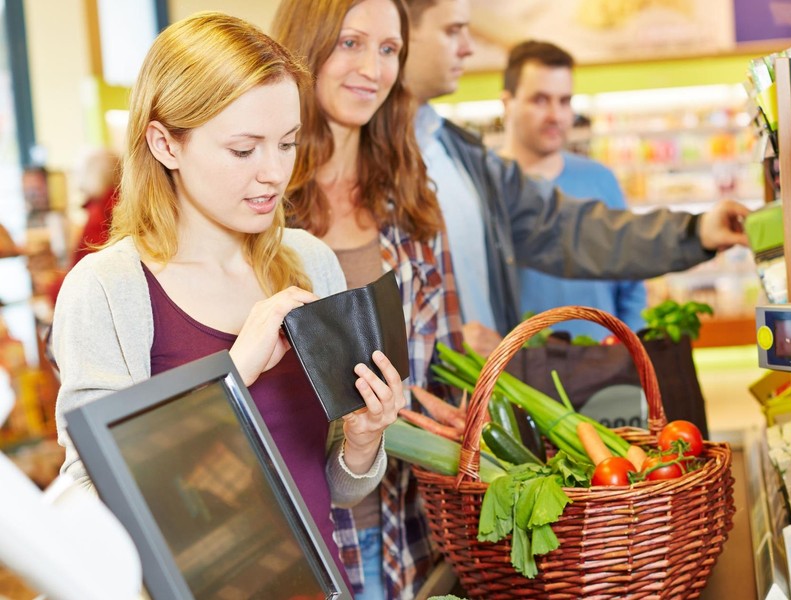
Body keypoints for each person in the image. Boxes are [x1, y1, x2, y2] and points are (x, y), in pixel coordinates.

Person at [51, 12, 405, 585]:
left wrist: (363, 441)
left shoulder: (311, 261)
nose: (273, 174)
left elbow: (334, 487)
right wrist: (233, 373)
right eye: (244, 150)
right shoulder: (107, 290)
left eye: (287, 143)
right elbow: (92, 503)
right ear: (165, 142)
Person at [404, 0, 749, 355]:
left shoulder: (460, 155)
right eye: (451, 30)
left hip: (492, 389)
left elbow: (572, 230)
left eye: (564, 100)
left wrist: (696, 231)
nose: (468, 47)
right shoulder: (381, 157)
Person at [272, 1, 466, 598]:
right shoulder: (263, 209)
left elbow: (444, 362)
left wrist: (447, 417)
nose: (372, 69)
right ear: (307, 46)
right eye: (350, 43)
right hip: (307, 532)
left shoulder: (410, 202)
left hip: (411, 527)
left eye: (389, 50)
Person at [498, 40, 646, 340]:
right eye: (540, 100)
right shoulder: (486, 186)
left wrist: (628, 349)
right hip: (514, 374)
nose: (556, 115)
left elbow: (631, 282)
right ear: (507, 103)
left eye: (564, 101)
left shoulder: (600, 179)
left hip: (602, 367)